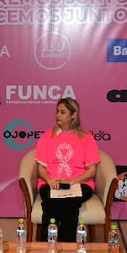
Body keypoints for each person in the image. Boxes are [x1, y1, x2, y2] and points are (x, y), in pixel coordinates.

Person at [34, 97, 99, 242]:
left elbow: (91, 170)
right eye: (57, 111)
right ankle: (46, 246)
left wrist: (71, 181)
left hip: (79, 183)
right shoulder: (47, 136)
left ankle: (67, 247)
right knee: (50, 205)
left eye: (63, 112)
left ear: (73, 115)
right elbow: (41, 168)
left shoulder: (87, 138)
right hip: (51, 182)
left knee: (70, 206)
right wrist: (50, 180)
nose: (58, 115)